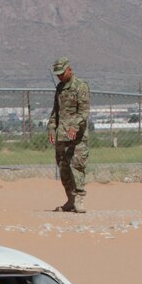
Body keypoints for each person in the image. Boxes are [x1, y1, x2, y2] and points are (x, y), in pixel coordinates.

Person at [47, 57, 91, 213]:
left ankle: (79, 199)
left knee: (77, 166)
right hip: (61, 136)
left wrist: (74, 126)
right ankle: (70, 200)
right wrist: (52, 128)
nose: (59, 77)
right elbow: (55, 113)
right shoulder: (60, 88)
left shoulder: (81, 86)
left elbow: (84, 112)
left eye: (61, 73)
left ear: (69, 69)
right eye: (57, 74)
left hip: (76, 137)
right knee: (63, 168)